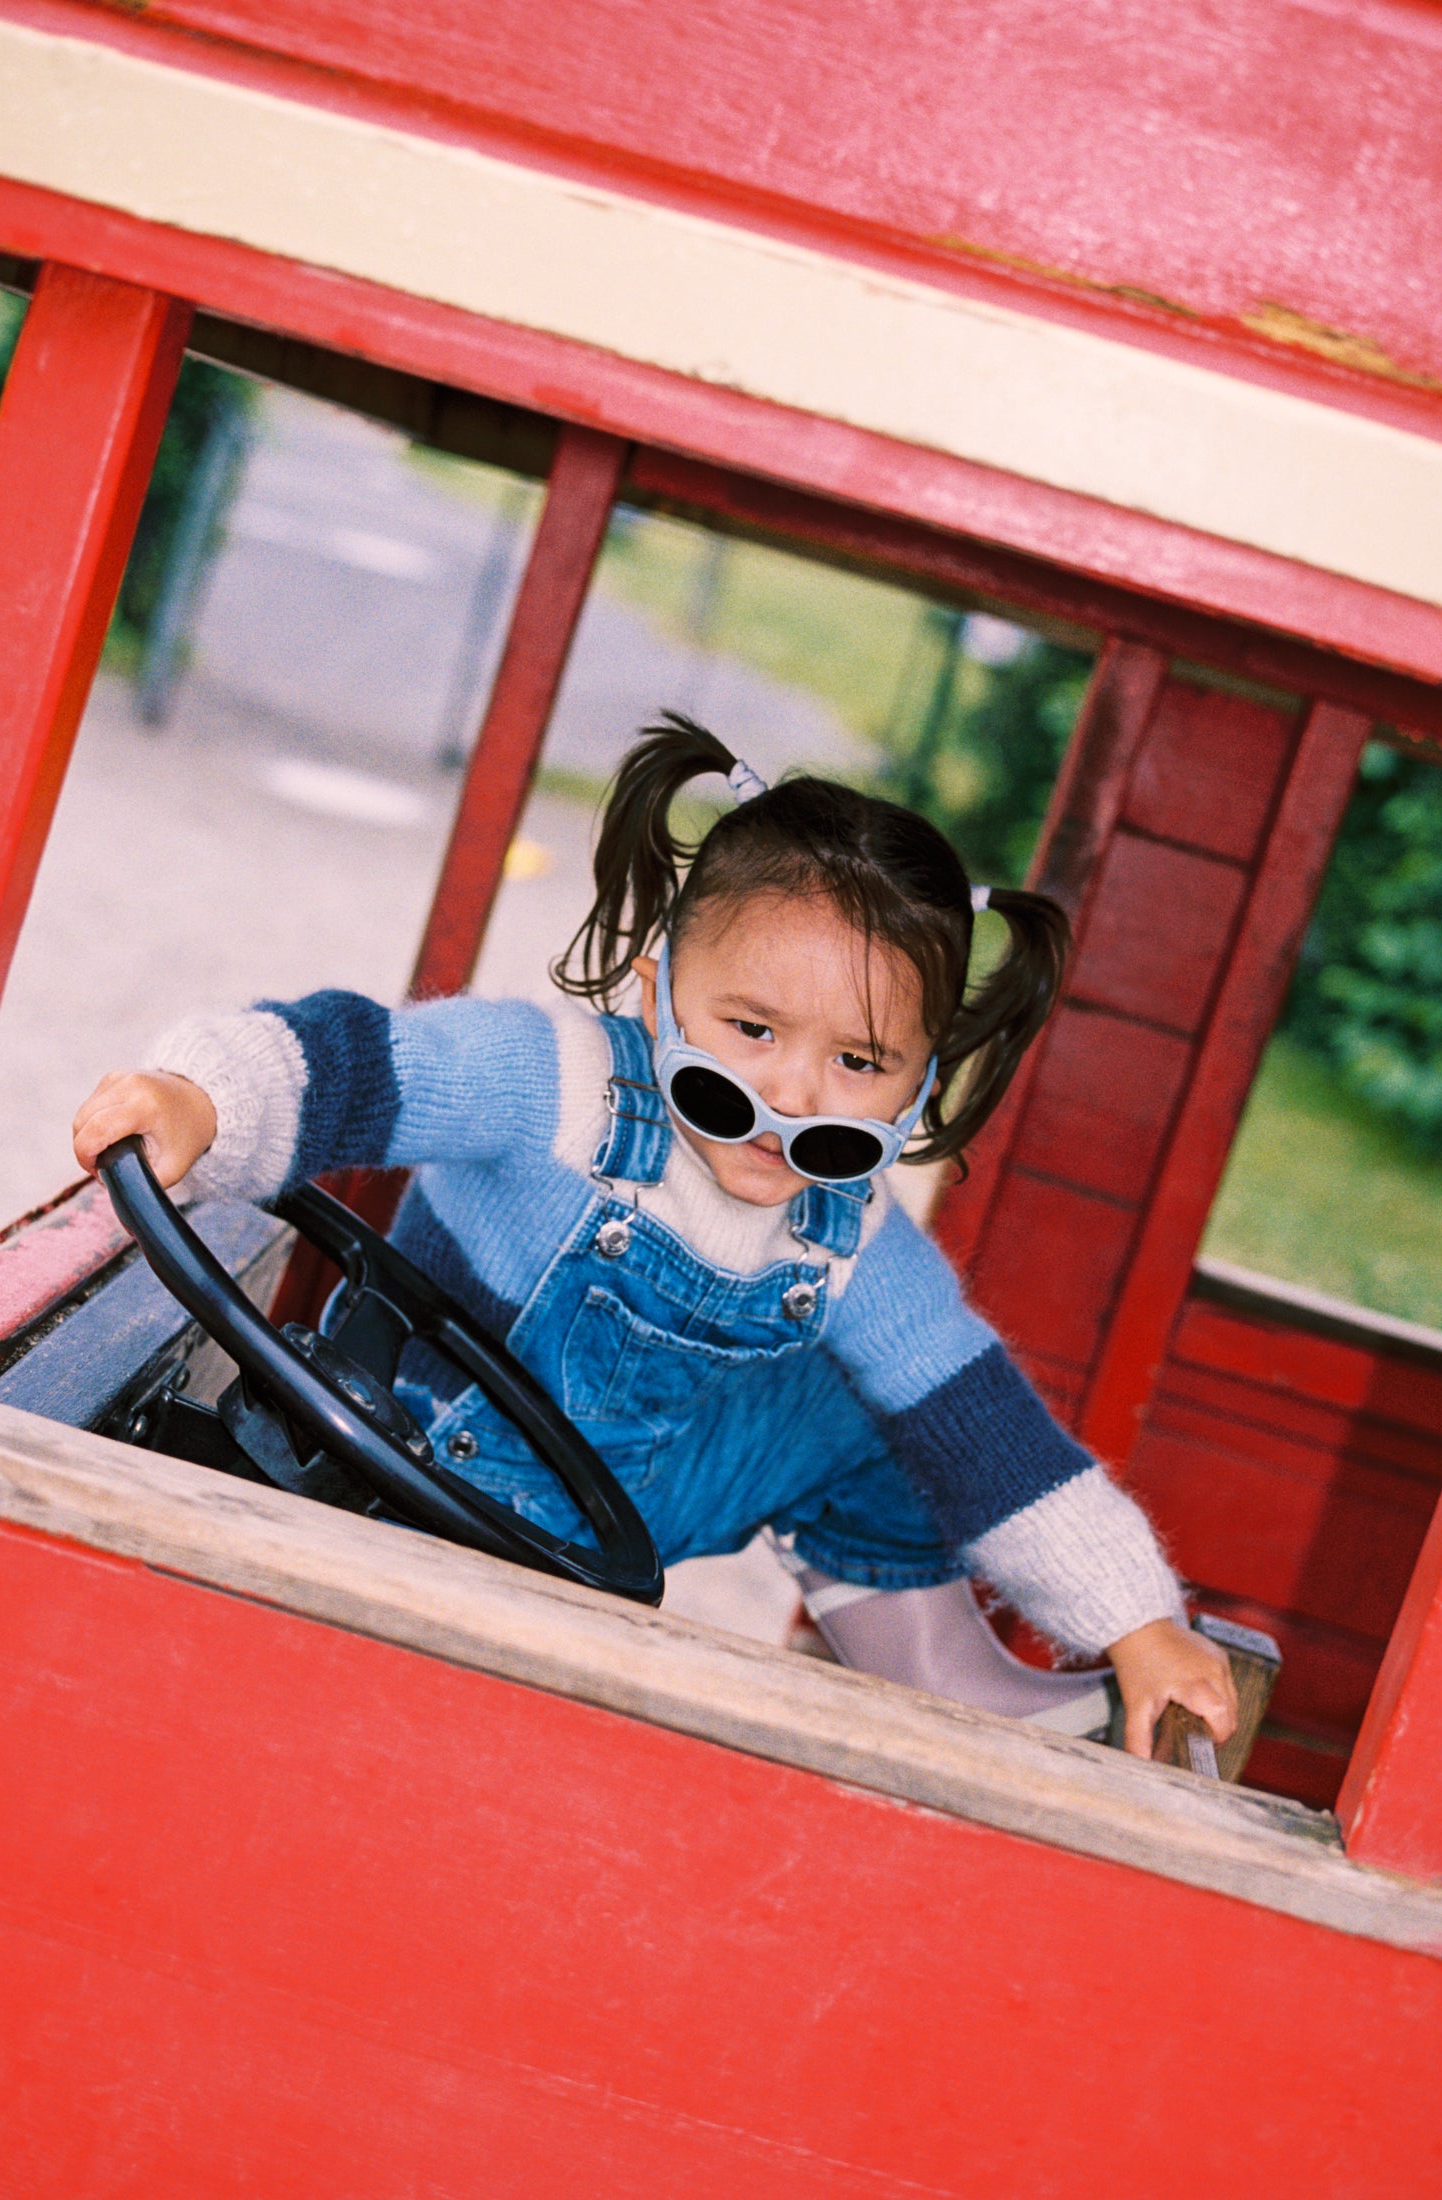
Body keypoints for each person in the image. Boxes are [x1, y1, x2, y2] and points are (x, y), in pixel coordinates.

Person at [72, 715, 1236, 1758]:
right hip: (410, 1466)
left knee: (909, 1413)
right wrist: (201, 1099)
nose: (793, 1093)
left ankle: (938, 1671)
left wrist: (1136, 1620)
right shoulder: (552, 1082)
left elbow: (997, 1437)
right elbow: (351, 1062)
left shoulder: (849, 1234)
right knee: (885, 1401)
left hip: (616, 1515)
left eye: (857, 1062)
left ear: (918, 1082)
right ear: (651, 988)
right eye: (750, 1027)